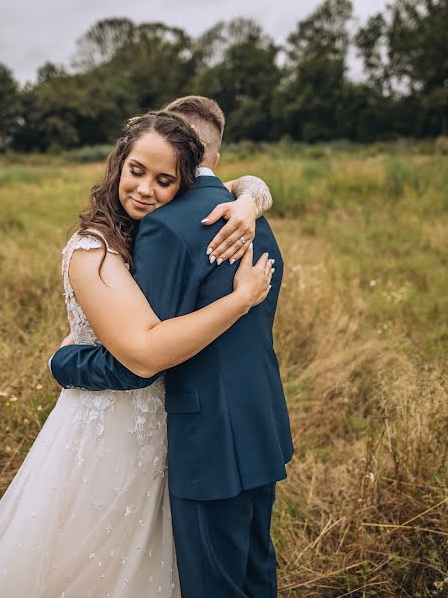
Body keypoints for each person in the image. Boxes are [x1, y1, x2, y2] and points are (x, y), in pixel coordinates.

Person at [0, 109, 275, 597]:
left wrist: (252, 197)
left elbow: (237, 183)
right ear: (118, 163)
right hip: (114, 425)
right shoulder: (95, 247)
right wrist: (239, 291)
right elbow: (143, 353)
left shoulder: (179, 224)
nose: (146, 189)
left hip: (168, 432)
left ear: (186, 181)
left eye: (164, 179)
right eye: (136, 171)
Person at [50, 96, 293, 597]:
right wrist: (251, 192)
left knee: (212, 584)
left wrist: (66, 360)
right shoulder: (253, 219)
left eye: (166, 173)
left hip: (205, 441)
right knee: (256, 572)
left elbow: (141, 358)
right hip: (260, 422)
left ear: (187, 158)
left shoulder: (165, 227)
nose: (151, 184)